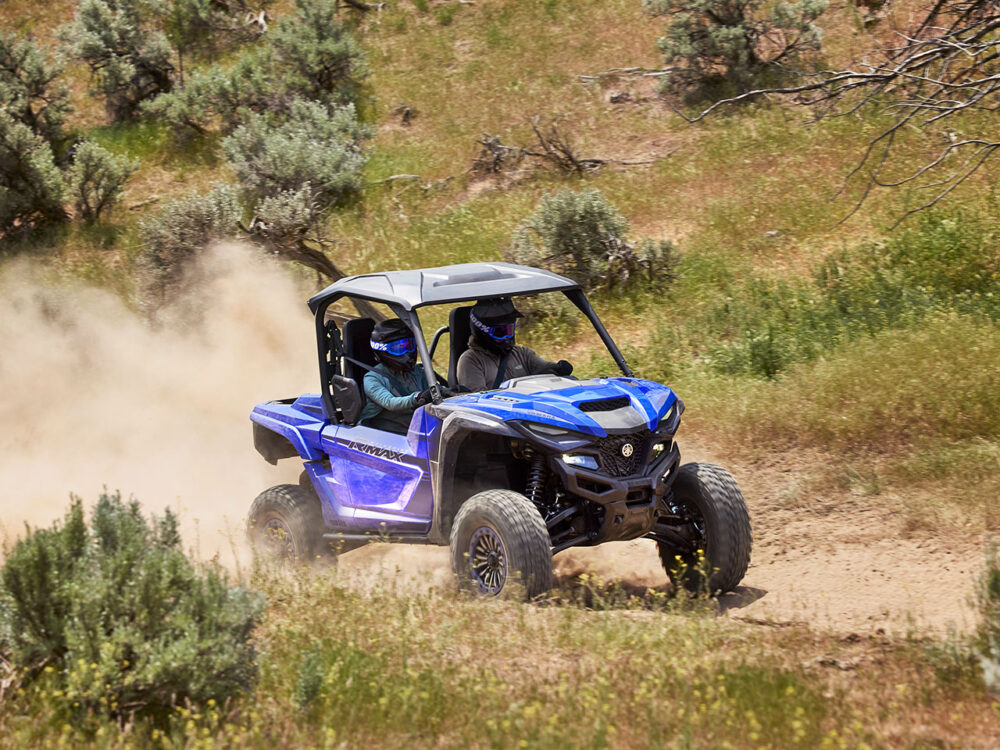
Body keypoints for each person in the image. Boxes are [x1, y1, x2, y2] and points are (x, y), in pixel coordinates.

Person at [456, 297, 573, 392]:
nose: (507, 336)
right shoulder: (470, 360)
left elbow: (546, 369)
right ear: (482, 333)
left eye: (510, 330)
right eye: (500, 332)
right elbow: (476, 402)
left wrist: (559, 369)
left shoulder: (523, 354)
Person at [358, 319, 433, 434]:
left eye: (409, 345)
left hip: (413, 428)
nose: (406, 352)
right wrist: (417, 398)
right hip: (383, 436)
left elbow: (434, 390)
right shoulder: (372, 378)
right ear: (383, 351)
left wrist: (453, 392)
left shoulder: (416, 371)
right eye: (399, 348)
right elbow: (390, 403)